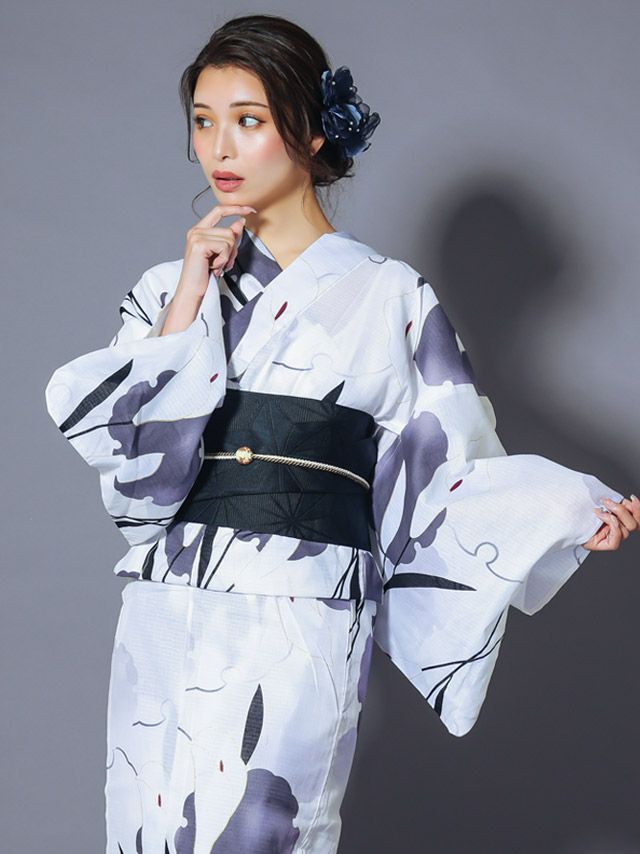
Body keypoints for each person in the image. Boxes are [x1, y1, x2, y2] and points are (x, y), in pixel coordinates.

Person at [43, 13, 638, 854]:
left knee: (270, 827)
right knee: (152, 825)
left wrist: (565, 513)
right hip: (171, 610)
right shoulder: (167, 289)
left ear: (311, 130)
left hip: (305, 613)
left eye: (248, 120)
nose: (219, 147)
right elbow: (136, 482)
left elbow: (445, 471)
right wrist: (187, 302)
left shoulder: (390, 296)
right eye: (204, 121)